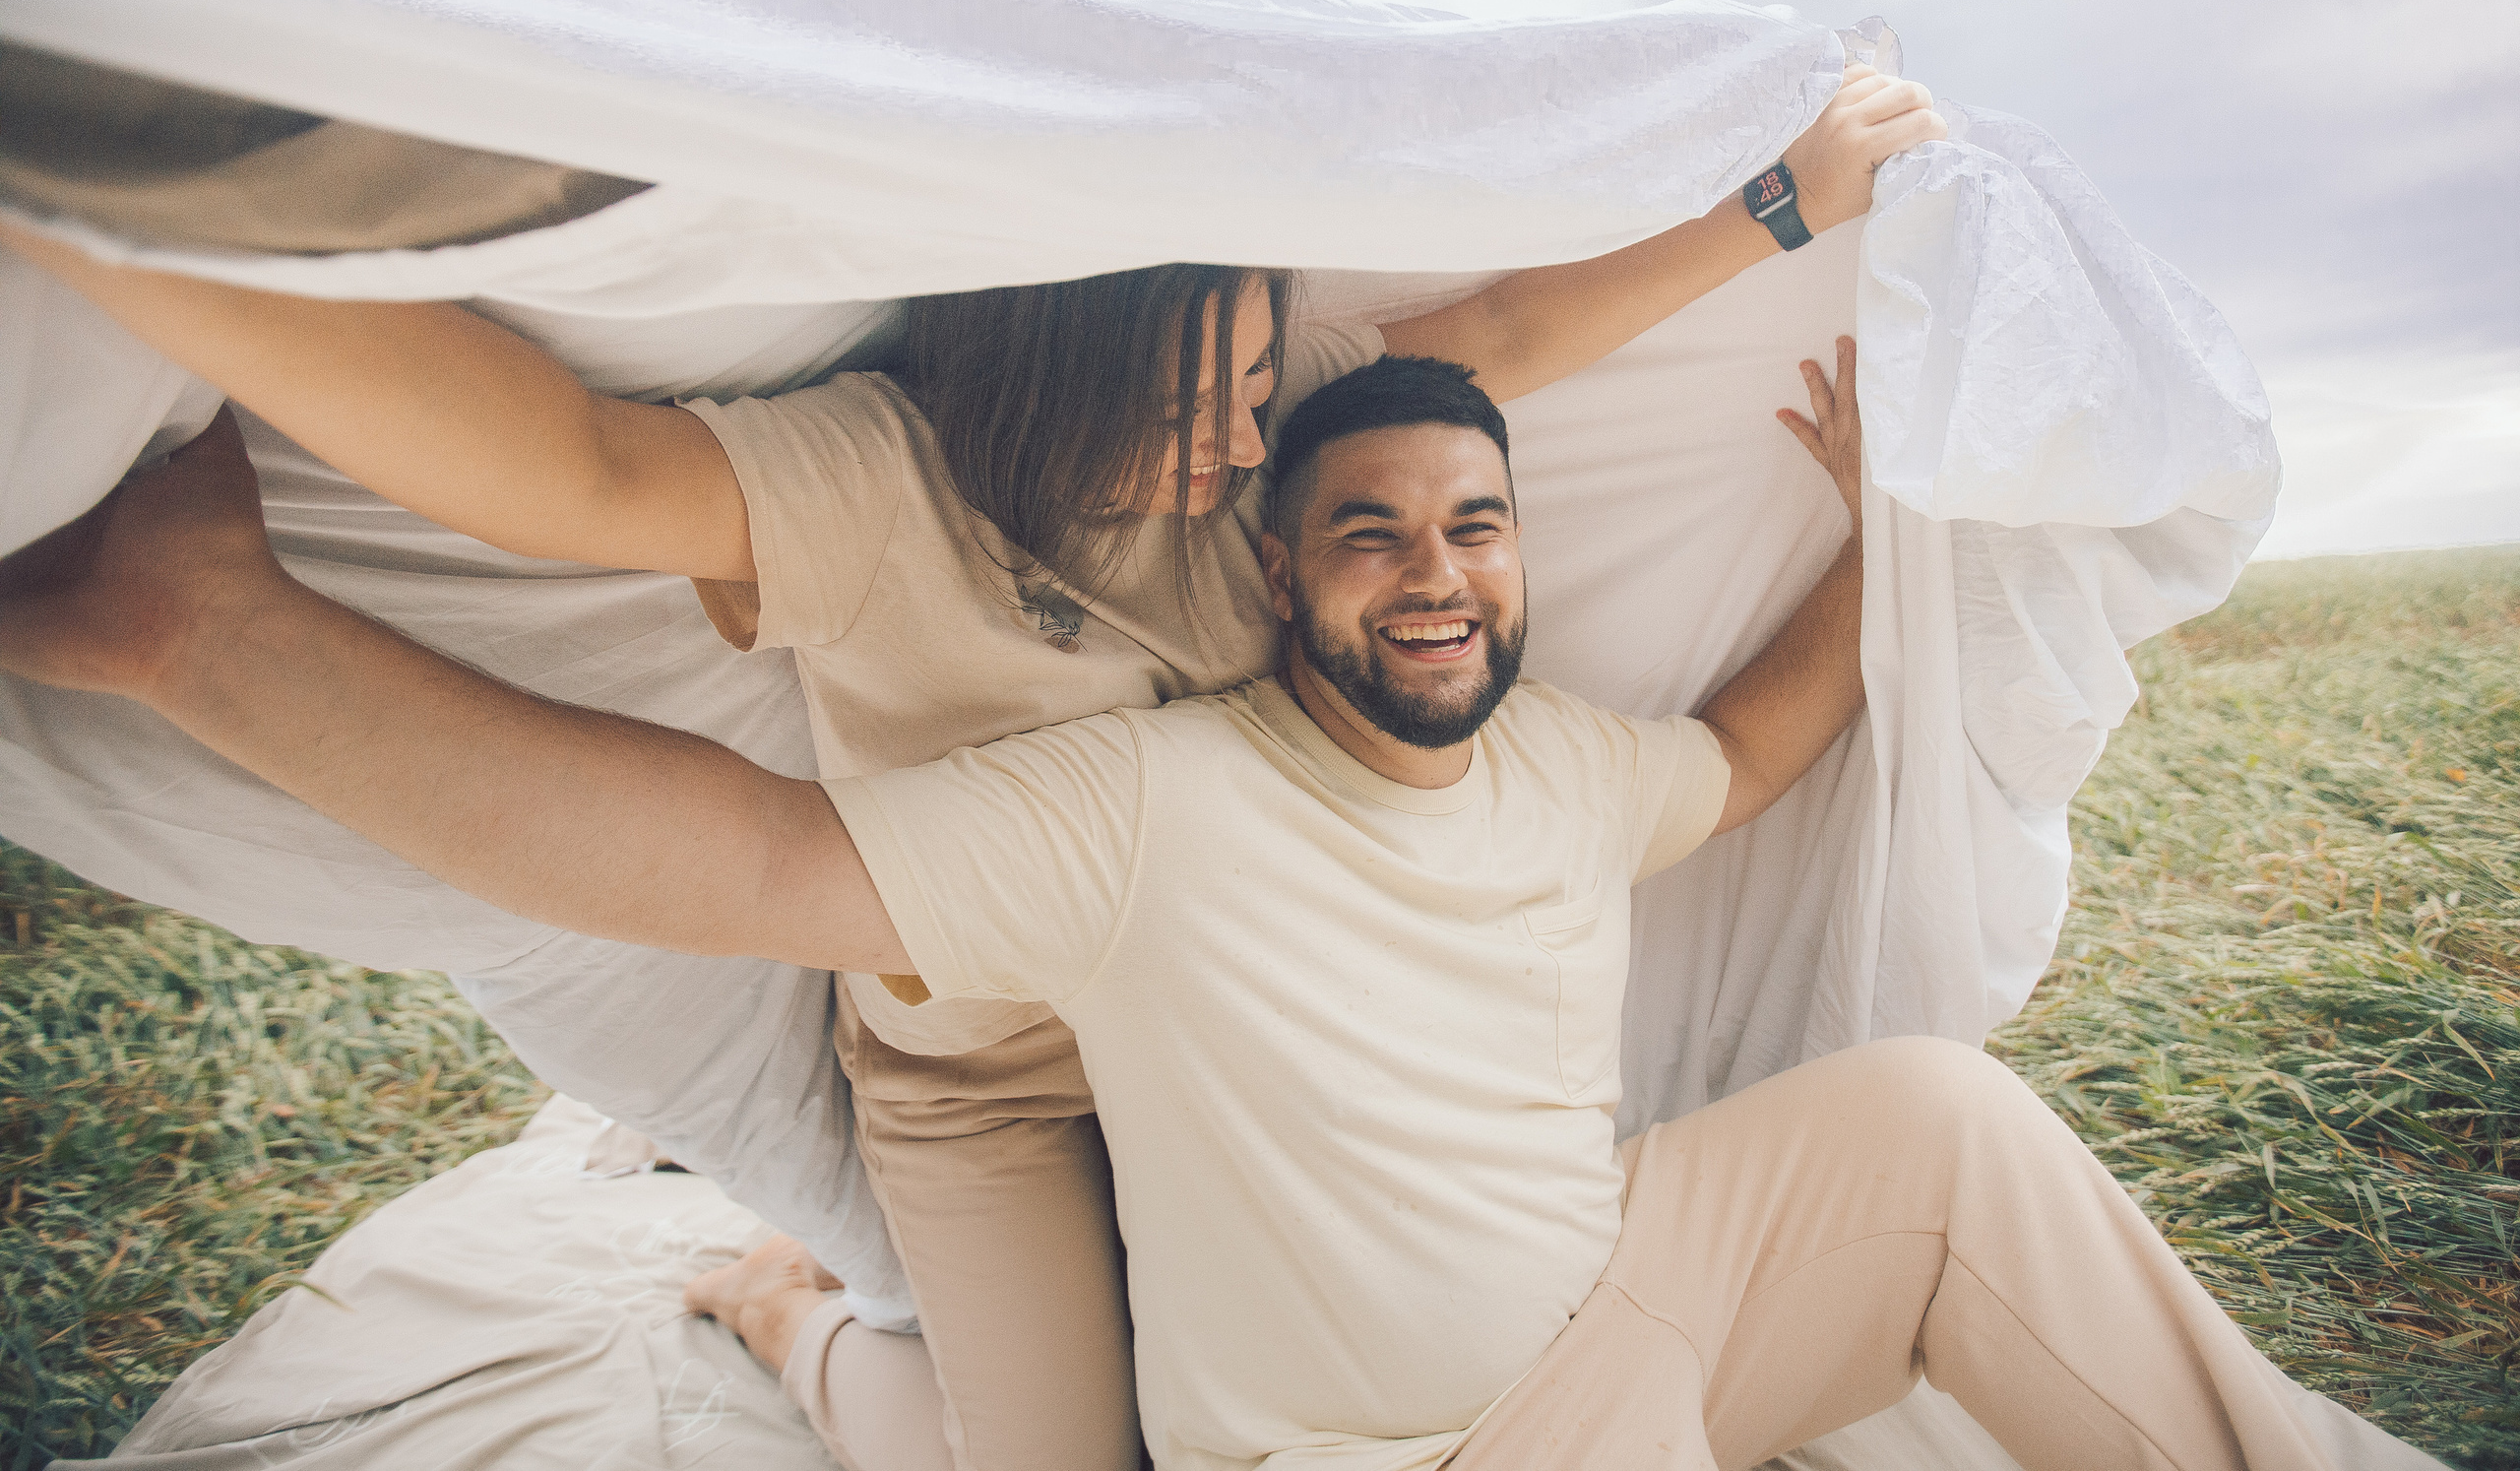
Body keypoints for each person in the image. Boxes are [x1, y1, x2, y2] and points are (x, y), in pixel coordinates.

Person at [1, 62, 1945, 1469]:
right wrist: (85, 198)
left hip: (1234, 1032)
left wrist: (1782, 201)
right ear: (1059, 355)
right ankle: (788, 1312)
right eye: (1214, 394)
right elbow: (565, 470)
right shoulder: (880, 481)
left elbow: (1506, 328)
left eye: (1268, 390)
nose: (1250, 432)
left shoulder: (1268, 481)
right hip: (992, 1082)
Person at [0, 348, 2358, 1471]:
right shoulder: (1146, 798)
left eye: (1473, 523)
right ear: (1279, 568)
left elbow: (1750, 745)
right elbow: (742, 861)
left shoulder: (1562, 763)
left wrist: (1894, 530)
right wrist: (233, 642)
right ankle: (780, 1309)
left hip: (1629, 1342)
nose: (1432, 572)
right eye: (1369, 530)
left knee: (1936, 1122)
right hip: (1384, 1459)